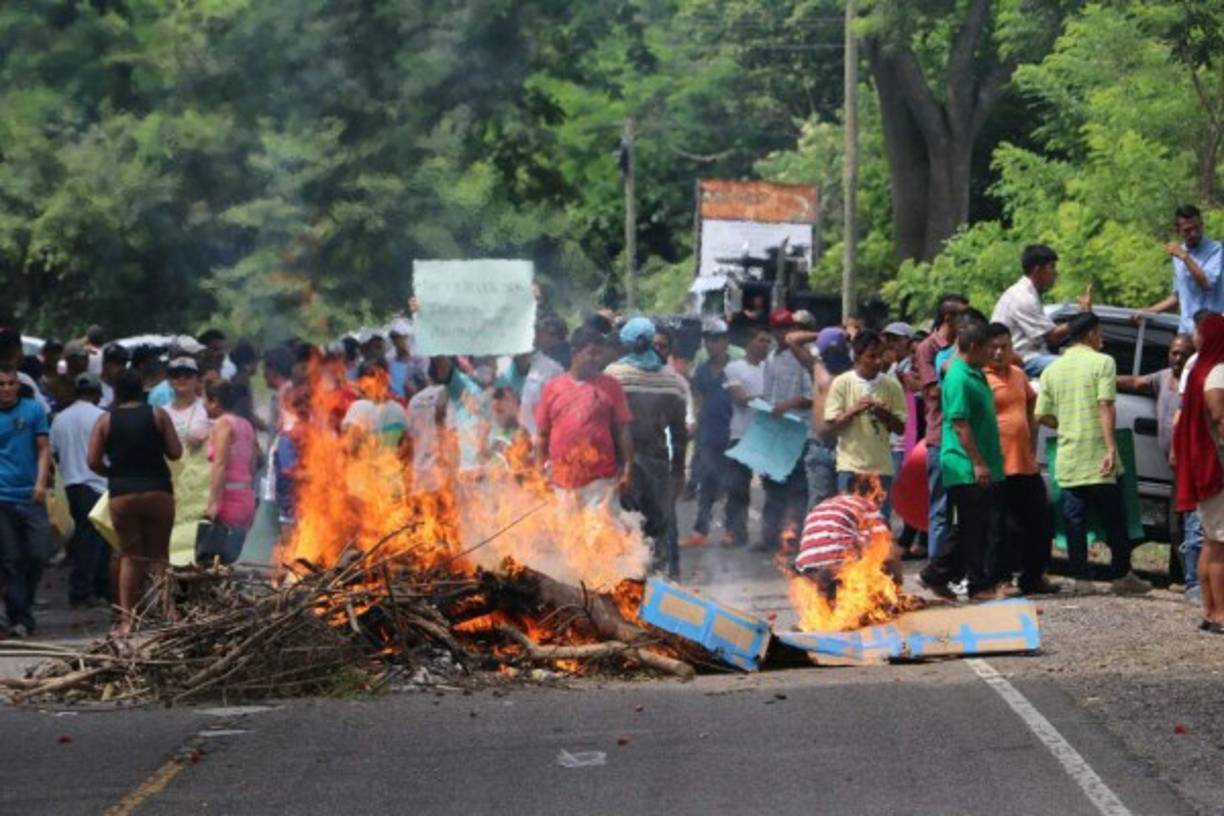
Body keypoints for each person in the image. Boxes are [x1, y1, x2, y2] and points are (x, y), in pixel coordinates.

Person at [1035, 312, 1152, 594]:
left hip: (1070, 456)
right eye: (1099, 333)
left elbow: (1041, 414)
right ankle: (1122, 576)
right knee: (1115, 517)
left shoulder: (1052, 370)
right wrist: (1111, 448)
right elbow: (1105, 406)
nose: (1102, 339)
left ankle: (1081, 580)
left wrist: (1065, 423)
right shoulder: (1103, 362)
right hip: (1099, 454)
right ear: (1090, 334)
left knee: (1074, 520)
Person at [919, 318, 1010, 601]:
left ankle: (935, 574)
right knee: (974, 529)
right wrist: (978, 462)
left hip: (982, 464)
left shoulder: (975, 372)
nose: (991, 355)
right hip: (964, 464)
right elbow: (960, 424)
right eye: (986, 349)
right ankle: (977, 585)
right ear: (972, 347)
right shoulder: (958, 376)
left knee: (973, 526)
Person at [88, 368, 184, 635]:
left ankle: (127, 621)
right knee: (159, 556)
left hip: (123, 494)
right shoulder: (157, 415)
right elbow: (176, 453)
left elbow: (92, 461)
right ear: (141, 390)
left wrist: (114, 473)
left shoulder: (106, 420)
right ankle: (169, 613)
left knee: (130, 556)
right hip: (157, 491)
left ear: (116, 392)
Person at [606, 318, 689, 578]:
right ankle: (658, 590)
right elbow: (679, 433)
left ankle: (627, 588)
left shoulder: (613, 376)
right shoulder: (673, 380)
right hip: (658, 463)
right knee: (657, 530)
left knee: (625, 529)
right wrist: (678, 472)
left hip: (621, 465)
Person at [1119, 333, 1199, 601]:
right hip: (1174, 467)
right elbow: (1135, 382)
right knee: (1179, 520)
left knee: (1184, 521)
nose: (1177, 358)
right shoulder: (1163, 378)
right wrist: (1104, 378)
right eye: (1174, 353)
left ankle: (1190, 580)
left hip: (1192, 465)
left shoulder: (1197, 382)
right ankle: (1181, 576)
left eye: (1184, 354)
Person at [985, 323, 1057, 594]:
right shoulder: (981, 378)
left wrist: (1031, 441)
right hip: (997, 465)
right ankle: (999, 580)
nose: (999, 352)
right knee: (1001, 526)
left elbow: (1031, 403)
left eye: (1004, 346)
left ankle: (1033, 576)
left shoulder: (1017, 374)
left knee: (1040, 521)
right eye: (994, 347)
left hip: (1024, 462)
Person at [535, 327, 633, 503]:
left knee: (601, 530)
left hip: (601, 482)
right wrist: (539, 471)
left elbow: (622, 431)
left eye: (600, 354)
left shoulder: (611, 386)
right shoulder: (553, 388)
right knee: (565, 530)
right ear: (575, 353)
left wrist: (627, 468)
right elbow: (542, 435)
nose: (597, 359)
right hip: (562, 482)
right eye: (592, 353)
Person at [1174, 314, 1224, 630]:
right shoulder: (1218, 371)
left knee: (1210, 540)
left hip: (1203, 466)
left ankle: (1208, 609)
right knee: (1220, 543)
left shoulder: (1198, 369)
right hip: (1217, 467)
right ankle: (1220, 612)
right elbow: (1219, 415)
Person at [824, 330, 907, 518]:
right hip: (850, 467)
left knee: (879, 523)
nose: (878, 361)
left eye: (880, 355)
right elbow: (830, 427)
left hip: (881, 468)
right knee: (849, 522)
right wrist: (853, 410)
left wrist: (884, 413)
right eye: (871, 356)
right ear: (857, 356)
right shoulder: (842, 383)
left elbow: (901, 429)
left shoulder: (891, 386)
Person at [915, 294, 969, 561]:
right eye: (963, 316)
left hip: (967, 437)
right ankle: (937, 568)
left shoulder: (966, 345)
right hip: (940, 436)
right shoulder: (928, 348)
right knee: (941, 509)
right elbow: (933, 392)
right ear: (949, 318)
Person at [49, 373, 111, 608]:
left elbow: (53, 453)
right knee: (93, 542)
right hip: (96, 485)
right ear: (96, 394)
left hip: (70, 488)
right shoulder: (102, 417)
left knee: (81, 541)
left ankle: (96, 587)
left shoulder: (60, 418)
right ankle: (82, 591)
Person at [0, 366, 52, 637]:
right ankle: (20, 616)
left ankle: (24, 605)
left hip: (31, 494)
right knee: (12, 559)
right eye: (1, 384)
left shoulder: (33, 410)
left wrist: (41, 482)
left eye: (11, 383)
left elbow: (44, 449)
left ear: (18, 385)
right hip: (2, 497)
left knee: (39, 553)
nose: (6, 389)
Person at [757, 309, 813, 552]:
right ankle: (769, 535)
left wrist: (785, 406)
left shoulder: (803, 357)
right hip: (776, 429)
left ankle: (794, 535)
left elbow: (810, 397)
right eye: (777, 329)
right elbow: (767, 394)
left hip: (798, 429)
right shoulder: (771, 358)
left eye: (786, 329)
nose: (782, 334)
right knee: (772, 485)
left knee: (798, 487)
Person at [991, 244, 1091, 376]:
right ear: (1037, 269)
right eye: (1051, 268)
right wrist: (1083, 317)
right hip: (1023, 359)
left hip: (1035, 355)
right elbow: (1053, 337)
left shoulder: (1028, 293)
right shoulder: (1023, 297)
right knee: (1080, 367)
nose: (1055, 273)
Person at [685, 319, 733, 547]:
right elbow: (696, 400)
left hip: (733, 435)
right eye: (707, 340)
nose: (710, 344)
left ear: (725, 341)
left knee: (733, 484)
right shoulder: (701, 371)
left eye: (715, 339)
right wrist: (693, 422)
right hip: (707, 435)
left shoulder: (734, 370)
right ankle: (700, 531)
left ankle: (732, 530)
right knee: (706, 483)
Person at [1137, 205, 1224, 332]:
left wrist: (1185, 257)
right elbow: (1178, 296)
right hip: (1187, 329)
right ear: (1178, 231)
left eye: (1197, 228)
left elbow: (1206, 283)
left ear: (1202, 225)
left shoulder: (1216, 250)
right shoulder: (1178, 255)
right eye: (1187, 230)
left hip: (1211, 330)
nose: (1194, 233)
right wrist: (1150, 311)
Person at [722, 327, 770, 548]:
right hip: (741, 434)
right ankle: (734, 531)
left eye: (768, 341)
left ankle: (770, 534)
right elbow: (740, 398)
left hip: (766, 436)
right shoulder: (734, 368)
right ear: (749, 342)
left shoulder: (770, 368)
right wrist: (773, 400)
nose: (765, 345)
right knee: (737, 488)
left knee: (772, 487)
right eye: (761, 340)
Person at [201, 380, 258, 565]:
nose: (203, 404)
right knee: (230, 561)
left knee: (212, 563)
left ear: (215, 401)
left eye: (205, 400)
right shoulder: (246, 425)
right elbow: (252, 464)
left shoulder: (222, 425)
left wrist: (213, 504)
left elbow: (221, 464)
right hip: (245, 499)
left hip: (227, 500)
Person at [342, 361, 409, 451]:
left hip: (365, 463)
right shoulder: (399, 409)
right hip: (392, 463)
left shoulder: (358, 408)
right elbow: (405, 447)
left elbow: (351, 446)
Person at [163, 357, 212, 451]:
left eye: (188, 375)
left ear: (197, 379)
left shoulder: (208, 407)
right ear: (169, 381)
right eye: (176, 375)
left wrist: (206, 438)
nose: (182, 378)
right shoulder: (162, 412)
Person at [98, 343, 130, 409]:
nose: (122, 368)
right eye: (118, 364)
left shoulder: (128, 384)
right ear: (105, 364)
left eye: (124, 364)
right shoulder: (96, 387)